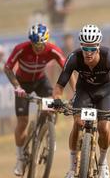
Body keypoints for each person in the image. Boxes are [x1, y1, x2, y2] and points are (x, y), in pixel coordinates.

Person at [51, 24, 110, 178]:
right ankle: (72, 168)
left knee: (104, 129)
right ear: (80, 46)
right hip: (84, 90)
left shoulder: (109, 57)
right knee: (77, 122)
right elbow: (59, 85)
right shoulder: (74, 57)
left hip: (105, 92)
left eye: (92, 49)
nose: (88, 53)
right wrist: (57, 100)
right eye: (85, 48)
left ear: (99, 46)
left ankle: (102, 163)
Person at [4, 23, 76, 176]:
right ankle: (20, 159)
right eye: (35, 45)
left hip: (40, 80)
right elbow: (7, 68)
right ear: (31, 41)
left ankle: (51, 134)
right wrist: (16, 86)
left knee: (55, 100)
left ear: (46, 41)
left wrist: (76, 92)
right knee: (22, 122)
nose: (38, 48)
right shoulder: (21, 49)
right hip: (22, 83)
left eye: (41, 45)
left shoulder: (52, 50)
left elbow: (67, 69)